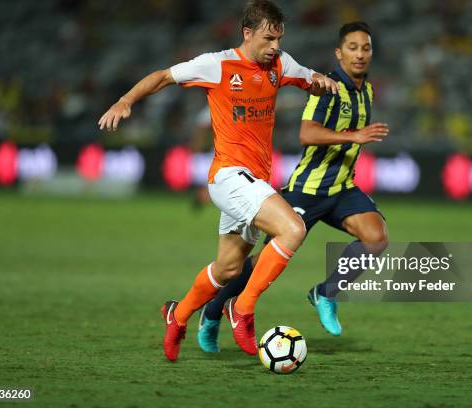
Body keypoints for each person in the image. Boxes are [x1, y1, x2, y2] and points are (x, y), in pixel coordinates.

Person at [98, 0, 338, 362]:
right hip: (228, 176)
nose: (275, 46)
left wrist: (321, 83)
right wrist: (125, 100)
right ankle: (242, 309)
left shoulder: (279, 64)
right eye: (269, 38)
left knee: (227, 267)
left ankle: (177, 317)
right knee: (293, 229)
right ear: (247, 33)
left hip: (254, 180)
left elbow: (310, 81)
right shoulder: (217, 64)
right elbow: (163, 76)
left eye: (279, 38)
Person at [197, 22, 389, 353]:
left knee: (376, 238)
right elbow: (307, 133)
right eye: (353, 47)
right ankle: (213, 311)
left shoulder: (366, 91)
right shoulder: (329, 89)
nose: (360, 54)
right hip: (307, 190)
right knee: (260, 263)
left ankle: (325, 293)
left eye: (366, 48)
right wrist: (352, 136)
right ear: (339, 53)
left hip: (341, 187)